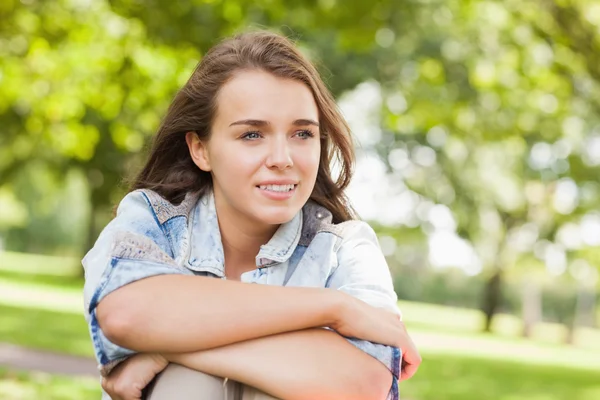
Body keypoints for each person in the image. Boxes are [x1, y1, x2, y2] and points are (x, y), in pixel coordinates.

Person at [82, 30, 421, 400]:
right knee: (188, 382)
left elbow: (364, 385)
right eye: (252, 135)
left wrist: (168, 345)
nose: (282, 158)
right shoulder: (155, 219)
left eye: (302, 134)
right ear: (201, 149)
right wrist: (335, 309)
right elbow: (124, 316)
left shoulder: (345, 247)